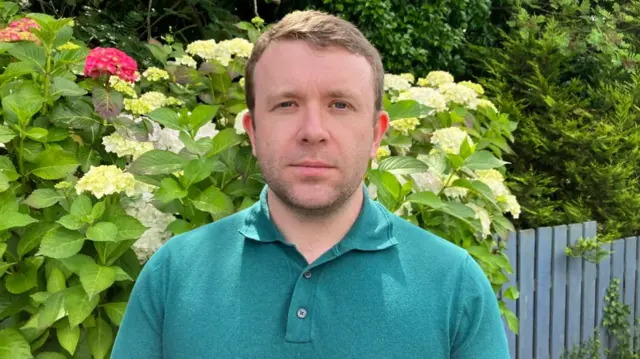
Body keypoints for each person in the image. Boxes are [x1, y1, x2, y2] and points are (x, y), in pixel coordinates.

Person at [111, 10, 510, 359]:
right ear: (252, 130)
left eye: (340, 104)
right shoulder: (175, 275)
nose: (313, 131)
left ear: (376, 134)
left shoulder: (454, 284)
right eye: (286, 104)